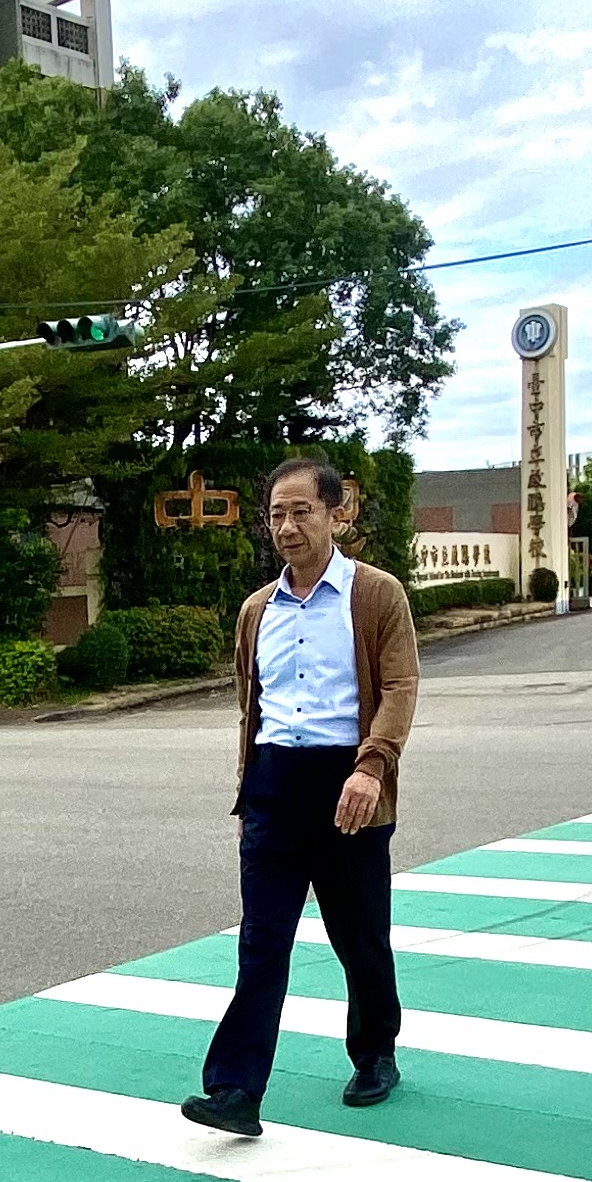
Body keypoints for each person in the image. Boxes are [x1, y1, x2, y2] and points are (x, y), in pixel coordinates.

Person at [182, 454, 420, 1138]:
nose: (286, 525)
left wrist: (371, 767)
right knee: (261, 945)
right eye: (276, 513)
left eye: (301, 510)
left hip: (348, 787)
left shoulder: (374, 595)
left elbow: (400, 687)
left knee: (360, 938)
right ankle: (234, 1089)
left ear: (335, 512)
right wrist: (247, 795)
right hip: (272, 790)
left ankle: (375, 1051)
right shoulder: (256, 609)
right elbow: (248, 704)